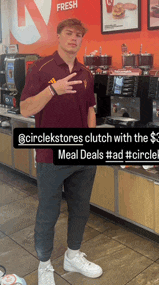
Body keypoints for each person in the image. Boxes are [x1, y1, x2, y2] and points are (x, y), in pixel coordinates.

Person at [20, 18, 103, 285]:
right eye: (69, 33)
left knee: (80, 208)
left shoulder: (86, 73)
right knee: (48, 212)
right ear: (58, 36)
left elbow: (91, 109)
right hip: (51, 155)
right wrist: (53, 90)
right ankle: (44, 264)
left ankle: (73, 255)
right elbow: (25, 109)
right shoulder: (40, 69)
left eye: (79, 35)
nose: (74, 39)